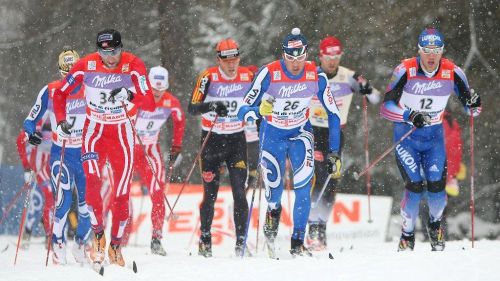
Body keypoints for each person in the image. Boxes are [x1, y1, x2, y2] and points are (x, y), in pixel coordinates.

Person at [53, 29, 155, 266]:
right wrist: (60, 121)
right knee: (91, 188)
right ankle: (98, 235)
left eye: (115, 52)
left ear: (122, 48)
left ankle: (116, 246)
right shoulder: (85, 65)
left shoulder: (133, 65)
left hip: (122, 133)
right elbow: (60, 93)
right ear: (98, 51)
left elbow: (149, 102)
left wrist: (129, 94)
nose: (110, 58)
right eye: (105, 52)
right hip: (94, 132)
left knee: (121, 195)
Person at [237, 28, 342, 257]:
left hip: (300, 134)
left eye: (301, 57)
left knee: (303, 189)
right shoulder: (269, 73)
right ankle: (273, 213)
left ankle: (297, 242)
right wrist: (256, 111)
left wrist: (334, 152)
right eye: (290, 57)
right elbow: (241, 110)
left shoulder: (316, 76)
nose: (296, 63)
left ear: (306, 54)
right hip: (272, 135)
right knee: (273, 193)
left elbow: (334, 114)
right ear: (284, 54)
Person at [380, 28, 481, 251]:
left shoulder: (453, 72)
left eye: (436, 50)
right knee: (414, 188)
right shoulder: (405, 69)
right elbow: (386, 108)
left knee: (437, 188)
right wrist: (409, 115)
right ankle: (407, 235)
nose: (431, 55)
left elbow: (472, 109)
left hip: (434, 139)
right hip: (406, 138)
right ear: (419, 50)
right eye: (426, 50)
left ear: (442, 51)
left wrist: (474, 104)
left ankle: (435, 225)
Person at [307, 36, 381, 250]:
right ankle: (312, 227)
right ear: (320, 56)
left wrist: (368, 90)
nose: (332, 61)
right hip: (311, 131)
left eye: (336, 56)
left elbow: (376, 98)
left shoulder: (348, 76)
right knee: (318, 176)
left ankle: (321, 227)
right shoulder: (310, 74)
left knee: (331, 181)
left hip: (335, 134)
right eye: (328, 57)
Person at [23, 47, 93, 264]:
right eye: (65, 73)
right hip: (60, 153)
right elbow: (30, 119)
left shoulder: (90, 87)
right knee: (62, 202)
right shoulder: (51, 90)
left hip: (85, 153)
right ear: (60, 71)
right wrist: (30, 133)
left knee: (88, 206)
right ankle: (58, 244)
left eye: (73, 73)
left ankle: (80, 244)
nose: (69, 79)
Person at [188, 38, 254, 257]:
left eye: (235, 59)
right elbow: (192, 107)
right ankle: (205, 238)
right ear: (218, 60)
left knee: (239, 192)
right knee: (211, 195)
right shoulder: (208, 77)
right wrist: (212, 105)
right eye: (226, 61)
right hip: (212, 141)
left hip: (236, 140)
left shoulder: (247, 76)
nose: (231, 65)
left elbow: (260, 100)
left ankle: (241, 241)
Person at [132, 65, 185, 255]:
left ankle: (156, 238)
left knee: (158, 194)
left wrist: (176, 147)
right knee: (116, 193)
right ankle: (113, 237)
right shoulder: (136, 97)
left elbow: (180, 120)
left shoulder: (170, 102)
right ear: (147, 85)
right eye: (154, 89)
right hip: (128, 149)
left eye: (161, 90)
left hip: (150, 151)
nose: (157, 93)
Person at [16, 125, 53, 248]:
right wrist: (26, 167)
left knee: (52, 201)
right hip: (37, 169)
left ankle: (50, 234)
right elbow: (20, 140)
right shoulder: (35, 122)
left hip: (51, 169)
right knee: (36, 201)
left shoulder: (58, 119)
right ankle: (28, 232)